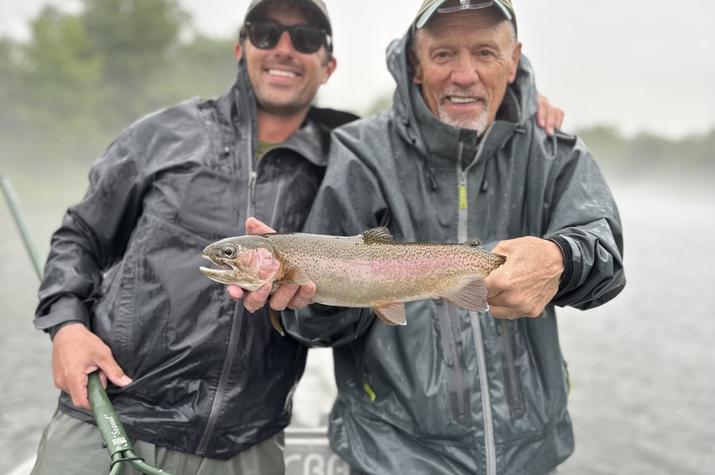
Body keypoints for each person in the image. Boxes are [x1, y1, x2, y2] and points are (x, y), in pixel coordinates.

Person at [234, 1, 625, 474]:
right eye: (443, 55)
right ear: (416, 65)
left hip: (532, 456)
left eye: (484, 52)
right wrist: (309, 301)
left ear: (514, 58)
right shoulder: (361, 152)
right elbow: (322, 328)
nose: (464, 75)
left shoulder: (555, 150)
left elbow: (606, 257)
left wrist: (562, 257)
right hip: (391, 456)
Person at [31, 1, 354, 473]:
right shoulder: (161, 135)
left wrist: (313, 306)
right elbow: (78, 237)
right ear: (240, 48)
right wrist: (66, 326)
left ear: (328, 66)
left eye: (304, 38)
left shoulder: (344, 164)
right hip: (108, 421)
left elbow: (341, 322)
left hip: (247, 447)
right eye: (266, 33)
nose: (283, 49)